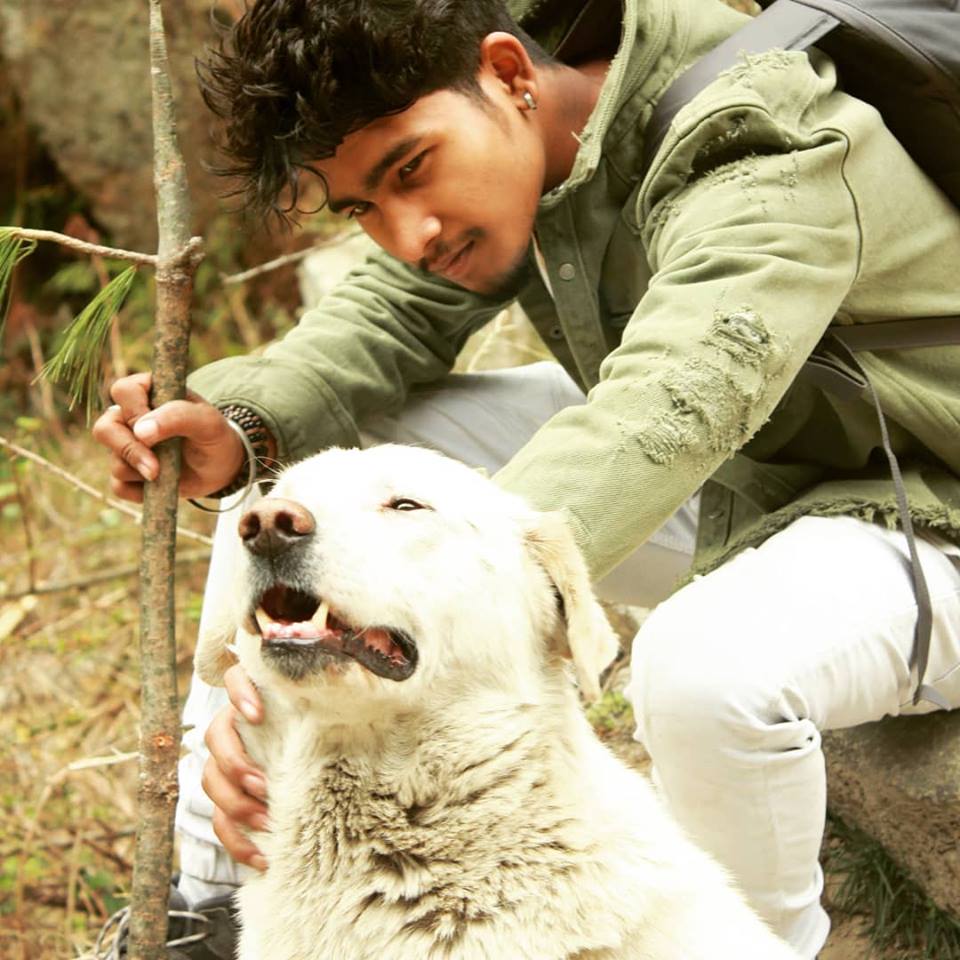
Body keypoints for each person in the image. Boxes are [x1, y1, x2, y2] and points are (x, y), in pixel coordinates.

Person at [92, 0, 960, 957]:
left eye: (410, 170)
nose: (409, 231)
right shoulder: (536, 128)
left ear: (509, 73)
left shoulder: (759, 135)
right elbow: (389, 313)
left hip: (922, 510)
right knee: (304, 480)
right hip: (750, 488)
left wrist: (444, 572)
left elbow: (679, 400)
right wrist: (237, 425)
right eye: (361, 209)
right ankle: (203, 907)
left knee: (702, 671)